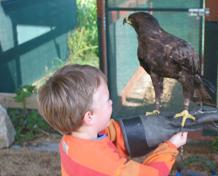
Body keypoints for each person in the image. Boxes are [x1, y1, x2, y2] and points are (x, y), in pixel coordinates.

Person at [38, 64, 188, 176]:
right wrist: (170, 146)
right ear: (90, 116)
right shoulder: (108, 165)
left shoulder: (68, 142)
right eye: (107, 99)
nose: (111, 102)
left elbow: (109, 134)